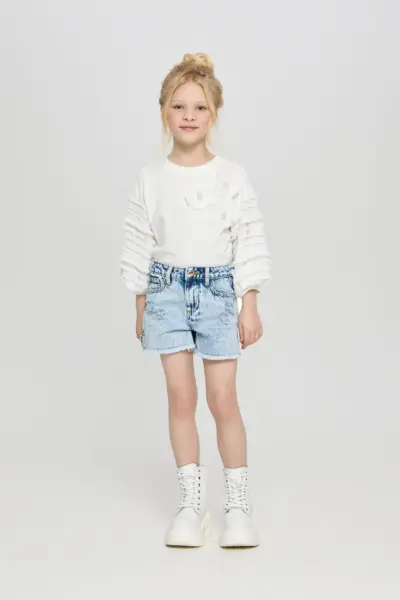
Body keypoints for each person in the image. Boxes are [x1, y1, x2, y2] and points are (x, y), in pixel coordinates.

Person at [119, 52, 272, 548]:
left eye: (199, 107)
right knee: (180, 397)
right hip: (164, 292)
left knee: (223, 397)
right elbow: (139, 240)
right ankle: (191, 505)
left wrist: (249, 300)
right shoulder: (150, 177)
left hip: (218, 293)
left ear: (214, 113)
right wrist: (141, 302)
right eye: (179, 106)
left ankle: (238, 507)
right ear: (165, 111)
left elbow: (247, 237)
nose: (189, 116)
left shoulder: (231, 176)